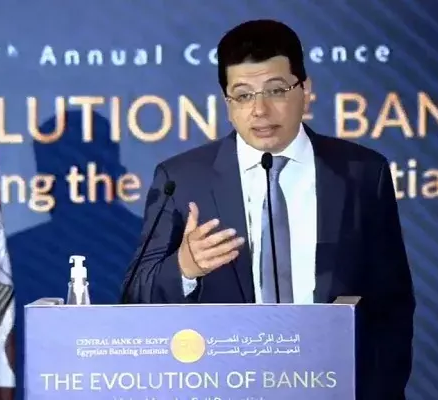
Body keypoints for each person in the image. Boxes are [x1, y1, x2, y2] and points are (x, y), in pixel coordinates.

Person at [121, 19, 415, 399]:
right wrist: (185, 268)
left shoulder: (362, 173)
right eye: (242, 95)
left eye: (276, 90)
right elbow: (135, 296)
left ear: (305, 90)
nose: (259, 110)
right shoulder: (181, 179)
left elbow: (391, 304)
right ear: (227, 103)